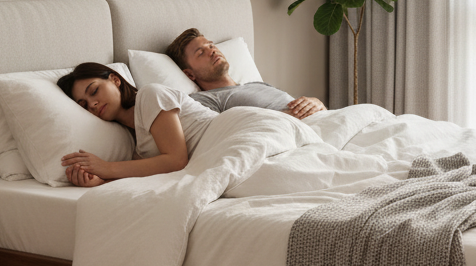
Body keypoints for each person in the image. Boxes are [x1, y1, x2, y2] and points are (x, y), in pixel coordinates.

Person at [56, 62, 216, 187]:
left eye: (94, 91)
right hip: (213, 160)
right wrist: (99, 182)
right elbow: (148, 174)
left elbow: (176, 161)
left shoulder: (150, 95)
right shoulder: (140, 149)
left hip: (229, 132)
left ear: (115, 80)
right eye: (84, 105)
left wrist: (106, 168)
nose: (93, 104)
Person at [164, 28, 327, 119]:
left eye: (211, 46)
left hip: (322, 121)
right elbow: (220, 133)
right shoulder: (204, 101)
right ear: (190, 75)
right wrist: (286, 117)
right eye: (201, 52)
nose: (212, 51)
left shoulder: (257, 84)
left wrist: (318, 104)